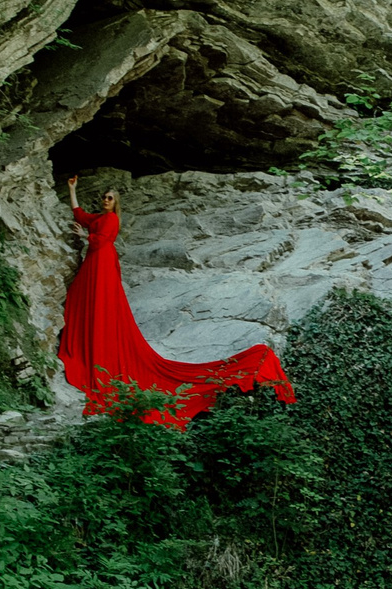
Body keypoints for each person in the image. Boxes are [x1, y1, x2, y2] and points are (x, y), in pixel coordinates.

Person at [58, 174, 294, 425]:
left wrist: (85, 237)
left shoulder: (112, 219)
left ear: (116, 203)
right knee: (86, 299)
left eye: (110, 198)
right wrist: (72, 189)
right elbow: (81, 216)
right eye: (104, 197)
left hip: (102, 260)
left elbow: (101, 240)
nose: (105, 201)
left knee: (99, 301)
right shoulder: (101, 217)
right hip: (97, 261)